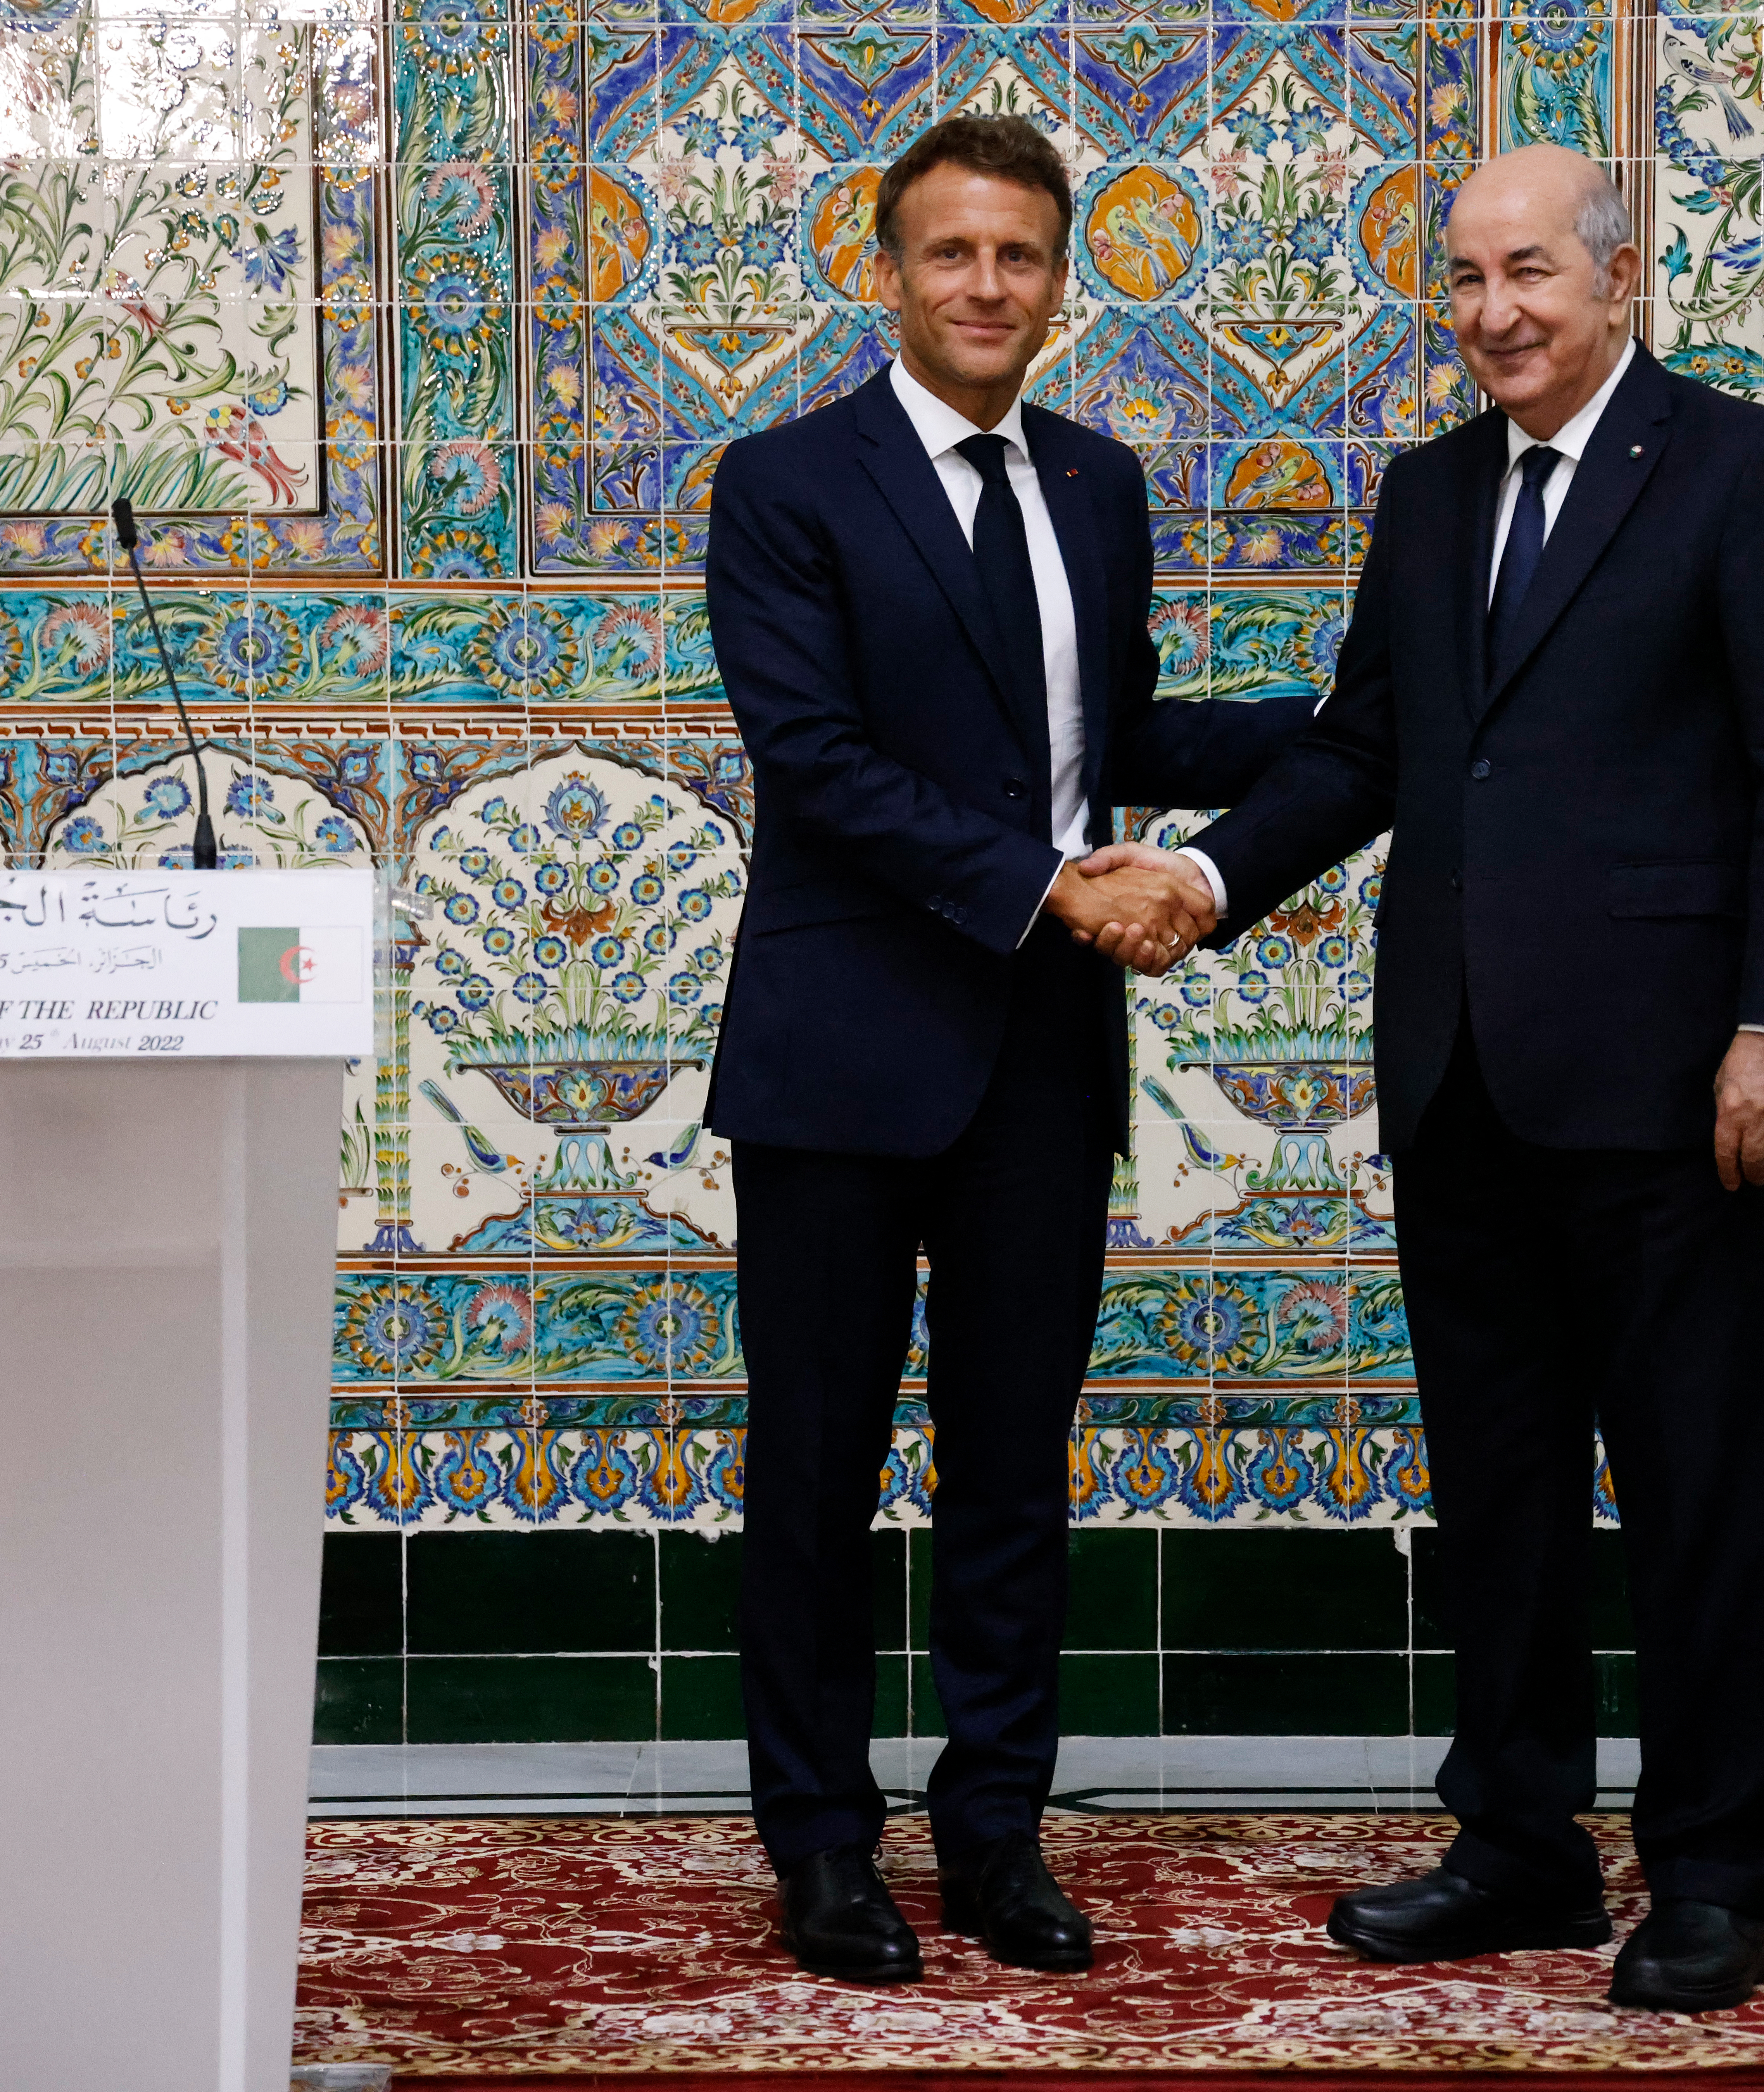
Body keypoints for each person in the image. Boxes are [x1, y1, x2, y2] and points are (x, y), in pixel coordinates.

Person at [1086, 143, 1764, 2012]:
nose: (1495, 313)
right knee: (1501, 1491)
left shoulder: (1746, 471)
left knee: (1693, 1487)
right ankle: (1520, 1845)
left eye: (1528, 273)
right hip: (1456, 1080)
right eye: (1464, 281)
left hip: (1683, 1086)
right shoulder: (1429, 494)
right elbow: (1372, 749)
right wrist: (1199, 879)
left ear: (1618, 279)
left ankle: (1712, 1871)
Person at [704, 114, 1306, 1987]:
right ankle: (819, 1845)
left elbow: (1108, 731)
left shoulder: (1100, 484)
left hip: (1039, 1059)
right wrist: (1057, 891)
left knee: (1009, 1469)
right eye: (949, 254)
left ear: (1062, 280)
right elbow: (818, 765)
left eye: (1019, 257)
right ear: (884, 270)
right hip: (840, 1050)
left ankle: (994, 1837)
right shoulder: (784, 482)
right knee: (813, 1466)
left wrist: (1360, 723)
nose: (985, 287)